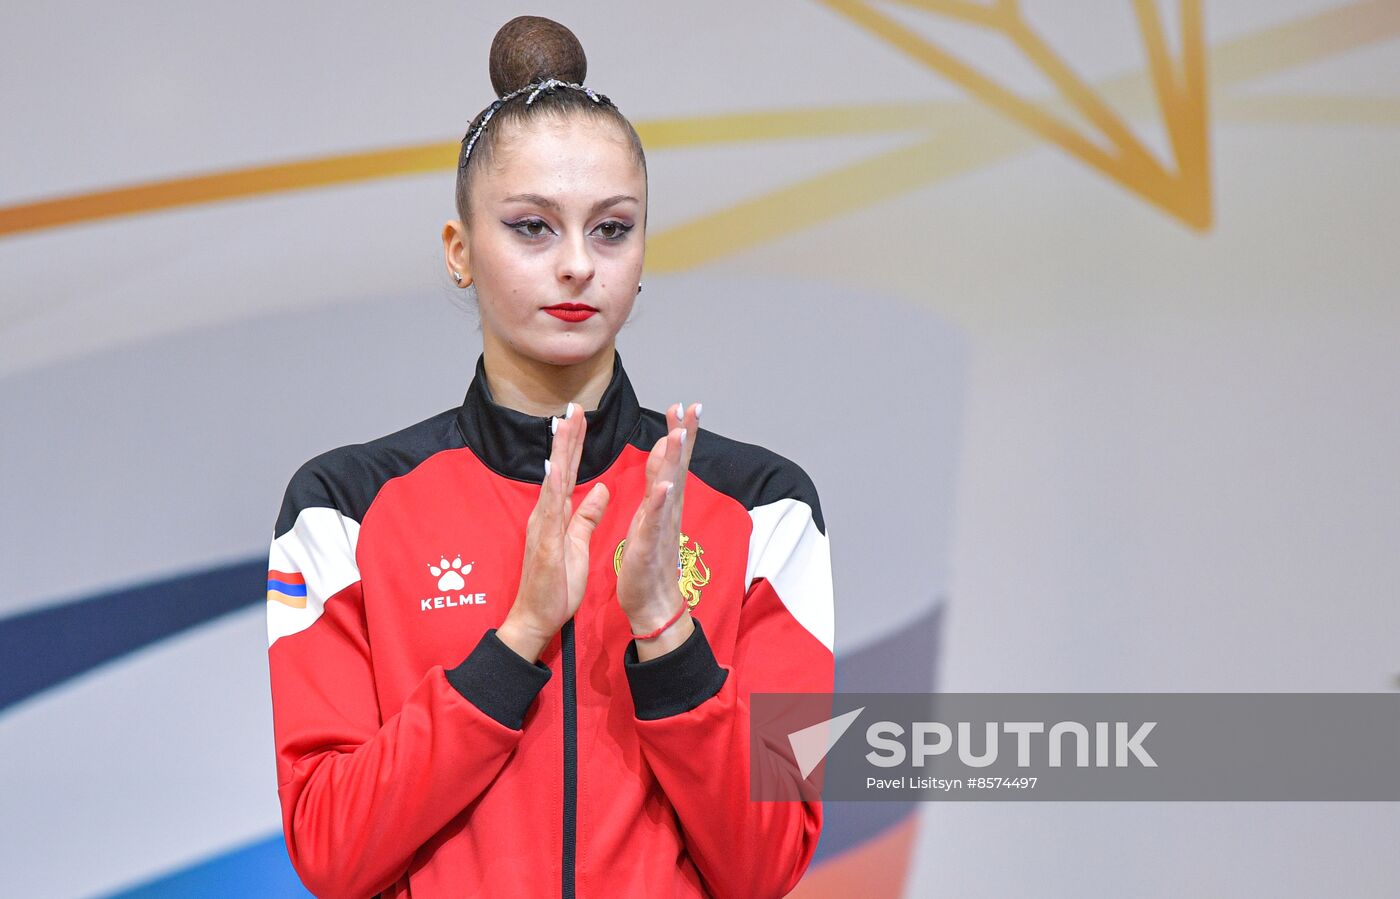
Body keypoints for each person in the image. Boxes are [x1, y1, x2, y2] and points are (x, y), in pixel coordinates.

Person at [265, 16, 834, 899]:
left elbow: (770, 865)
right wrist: (517, 638)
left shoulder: (767, 508)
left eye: (611, 230)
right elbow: (331, 852)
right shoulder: (342, 507)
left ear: (643, 255)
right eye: (532, 227)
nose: (576, 264)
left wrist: (665, 629)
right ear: (460, 251)